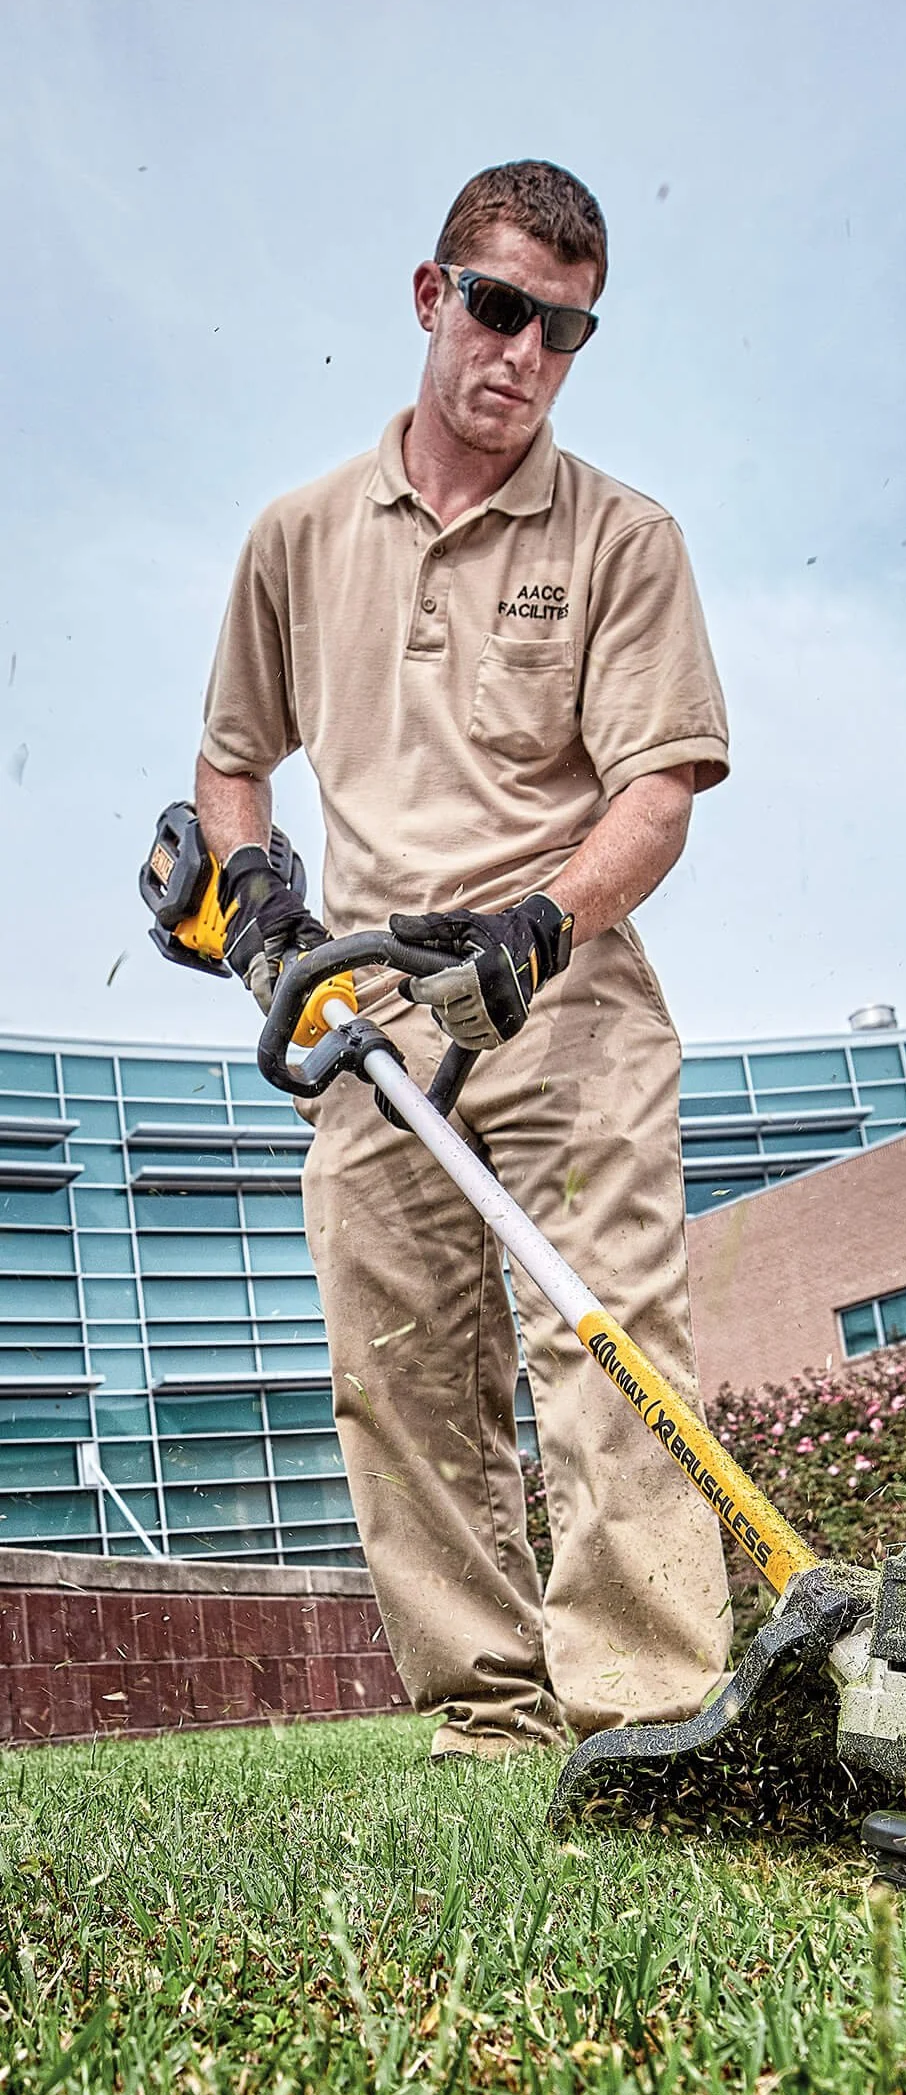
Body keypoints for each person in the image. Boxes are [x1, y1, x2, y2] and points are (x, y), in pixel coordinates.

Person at [194, 159, 733, 1761]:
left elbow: (657, 793)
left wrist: (544, 922)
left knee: (605, 1335)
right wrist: (257, 890)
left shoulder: (623, 536)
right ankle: (492, 1715)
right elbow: (232, 760)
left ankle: (648, 1706)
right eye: (500, 309)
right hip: (369, 1011)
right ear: (432, 296)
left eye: (564, 331)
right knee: (402, 1369)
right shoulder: (298, 537)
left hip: (562, 993)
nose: (523, 354)